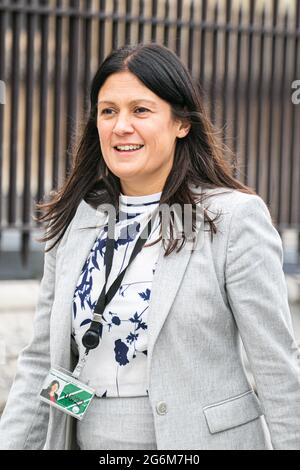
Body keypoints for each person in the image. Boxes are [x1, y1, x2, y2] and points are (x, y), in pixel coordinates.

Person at [0, 42, 299, 450]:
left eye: (141, 110)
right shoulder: (76, 220)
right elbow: (41, 363)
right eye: (109, 111)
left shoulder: (233, 219)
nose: (122, 126)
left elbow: (276, 367)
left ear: (181, 123)